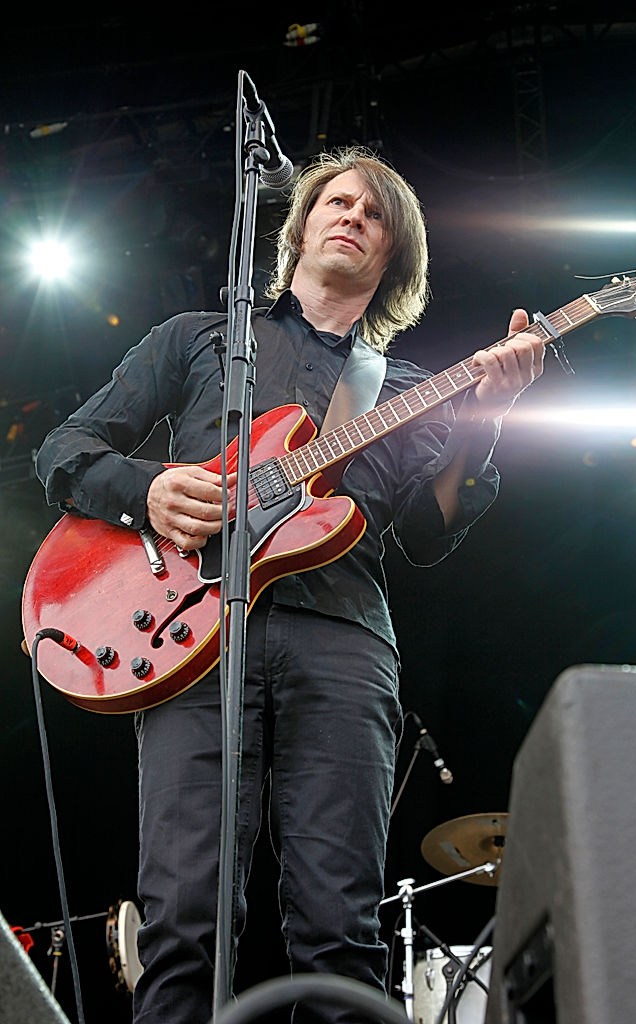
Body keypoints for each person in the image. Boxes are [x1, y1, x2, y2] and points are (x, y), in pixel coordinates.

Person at [35, 147, 545, 1024]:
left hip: (341, 639)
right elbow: (65, 452)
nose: (351, 217)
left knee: (341, 922)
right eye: (336, 202)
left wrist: (484, 422)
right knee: (183, 919)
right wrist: (150, 488)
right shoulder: (199, 338)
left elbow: (423, 533)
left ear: (395, 256)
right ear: (300, 226)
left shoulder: (411, 388)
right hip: (189, 639)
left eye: (374, 214)